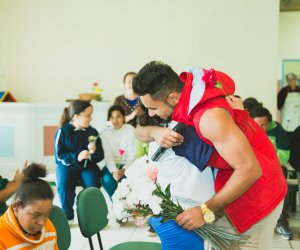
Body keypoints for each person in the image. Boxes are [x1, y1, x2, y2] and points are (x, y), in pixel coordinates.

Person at [133, 61, 287, 249]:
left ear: (173, 98)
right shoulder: (189, 90)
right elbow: (141, 129)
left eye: (153, 108)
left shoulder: (209, 117)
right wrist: (154, 130)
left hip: (255, 195)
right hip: (227, 191)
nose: (151, 113)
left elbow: (250, 170)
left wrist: (206, 210)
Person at [54, 100, 104, 223]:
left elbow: (99, 156)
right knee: (64, 185)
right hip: (68, 165)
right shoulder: (63, 131)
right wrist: (77, 156)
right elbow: (59, 156)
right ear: (76, 116)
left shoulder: (93, 132)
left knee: (93, 184)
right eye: (88, 115)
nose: (91, 118)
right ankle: (68, 216)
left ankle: (90, 215)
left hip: (87, 166)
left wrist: (94, 152)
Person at [249, 106, 292, 240]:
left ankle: (282, 222)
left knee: (282, 183)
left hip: (273, 168)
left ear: (270, 122)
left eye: (264, 125)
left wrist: (263, 159)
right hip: (251, 168)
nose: (261, 128)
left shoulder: (278, 131)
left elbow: (284, 157)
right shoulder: (247, 130)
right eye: (257, 124)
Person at [0, 163, 58, 249]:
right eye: (36, 215)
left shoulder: (48, 226)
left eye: (47, 214)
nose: (42, 222)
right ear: (17, 206)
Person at [100, 105, 135, 198]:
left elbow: (133, 154)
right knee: (107, 179)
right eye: (112, 117)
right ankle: (116, 204)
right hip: (112, 165)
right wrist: (114, 171)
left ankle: (128, 206)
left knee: (130, 180)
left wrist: (124, 169)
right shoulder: (105, 133)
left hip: (129, 165)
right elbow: (108, 156)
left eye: (118, 116)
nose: (115, 120)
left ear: (123, 117)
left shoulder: (130, 130)